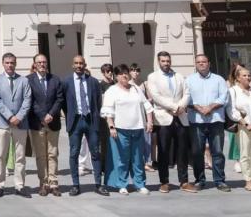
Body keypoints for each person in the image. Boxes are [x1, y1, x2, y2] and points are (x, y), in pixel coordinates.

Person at [145, 51, 193, 193]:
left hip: (180, 117)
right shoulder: (153, 77)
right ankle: (164, 182)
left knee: (182, 150)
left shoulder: (179, 76)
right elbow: (156, 96)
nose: (166, 63)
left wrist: (181, 107)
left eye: (168, 61)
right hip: (163, 118)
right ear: (158, 62)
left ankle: (184, 181)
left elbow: (187, 93)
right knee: (163, 151)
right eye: (163, 61)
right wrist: (174, 107)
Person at [102, 64, 154, 195]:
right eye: (120, 74)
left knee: (138, 159)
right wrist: (111, 126)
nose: (124, 76)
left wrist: (150, 122)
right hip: (120, 130)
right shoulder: (112, 91)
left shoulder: (136, 89)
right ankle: (122, 184)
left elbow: (147, 106)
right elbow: (108, 111)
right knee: (121, 159)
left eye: (125, 73)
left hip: (137, 128)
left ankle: (140, 184)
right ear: (116, 76)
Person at [63, 55, 108, 197]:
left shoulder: (93, 82)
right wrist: (70, 115)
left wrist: (95, 116)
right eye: (76, 63)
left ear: (85, 65)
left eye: (81, 63)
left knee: (95, 152)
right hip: (75, 121)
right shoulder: (66, 82)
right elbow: (63, 102)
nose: (78, 66)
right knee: (74, 153)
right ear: (73, 65)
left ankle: (98, 184)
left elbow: (98, 101)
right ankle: (75, 185)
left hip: (91, 121)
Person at [0, 52, 31, 198]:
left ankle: (19, 185)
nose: (10, 65)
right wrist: (10, 116)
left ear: (15, 63)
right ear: (3, 63)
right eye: (7, 62)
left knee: (20, 156)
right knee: (0, 155)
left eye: (12, 62)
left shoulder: (23, 80)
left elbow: (27, 100)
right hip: (2, 123)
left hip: (20, 123)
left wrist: (18, 117)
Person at [186, 54, 230, 192]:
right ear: (195, 64)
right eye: (198, 62)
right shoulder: (189, 80)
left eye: (204, 62)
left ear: (209, 63)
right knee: (197, 152)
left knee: (217, 152)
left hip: (215, 120)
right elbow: (186, 98)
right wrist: (199, 108)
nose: (201, 64)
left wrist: (210, 107)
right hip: (196, 121)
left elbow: (224, 97)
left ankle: (220, 181)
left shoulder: (219, 79)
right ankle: (200, 180)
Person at [27, 53, 64, 196]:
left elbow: (59, 99)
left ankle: (54, 183)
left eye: (44, 62)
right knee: (41, 155)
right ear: (34, 64)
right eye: (39, 62)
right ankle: (43, 183)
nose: (42, 64)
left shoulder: (55, 79)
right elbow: (30, 101)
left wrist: (51, 114)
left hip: (53, 122)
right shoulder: (29, 80)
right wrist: (43, 116)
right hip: (37, 123)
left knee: (52, 154)